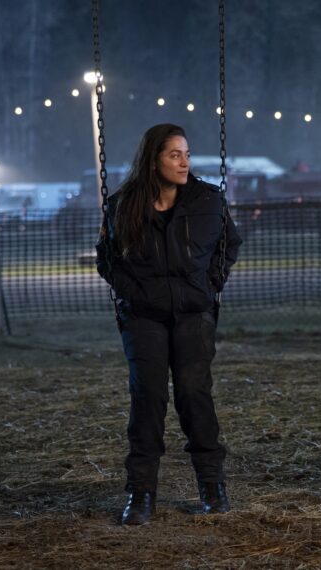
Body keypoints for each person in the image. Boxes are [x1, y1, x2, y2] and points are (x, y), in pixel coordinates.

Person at [95, 123, 242, 525]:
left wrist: (209, 284)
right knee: (148, 398)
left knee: (195, 396)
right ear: (152, 159)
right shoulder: (123, 205)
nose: (184, 162)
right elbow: (107, 260)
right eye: (174, 154)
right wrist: (136, 294)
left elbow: (231, 245)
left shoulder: (207, 201)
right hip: (144, 317)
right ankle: (141, 494)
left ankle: (212, 487)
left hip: (193, 314)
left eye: (187, 154)